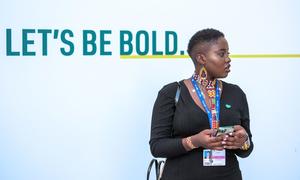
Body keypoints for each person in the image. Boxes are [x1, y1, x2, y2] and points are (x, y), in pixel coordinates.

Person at [149, 28, 253, 180]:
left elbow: (246, 149)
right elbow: (157, 147)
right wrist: (195, 141)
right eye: (221, 53)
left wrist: (243, 142)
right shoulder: (171, 93)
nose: (228, 59)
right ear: (201, 58)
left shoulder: (236, 93)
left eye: (228, 54)